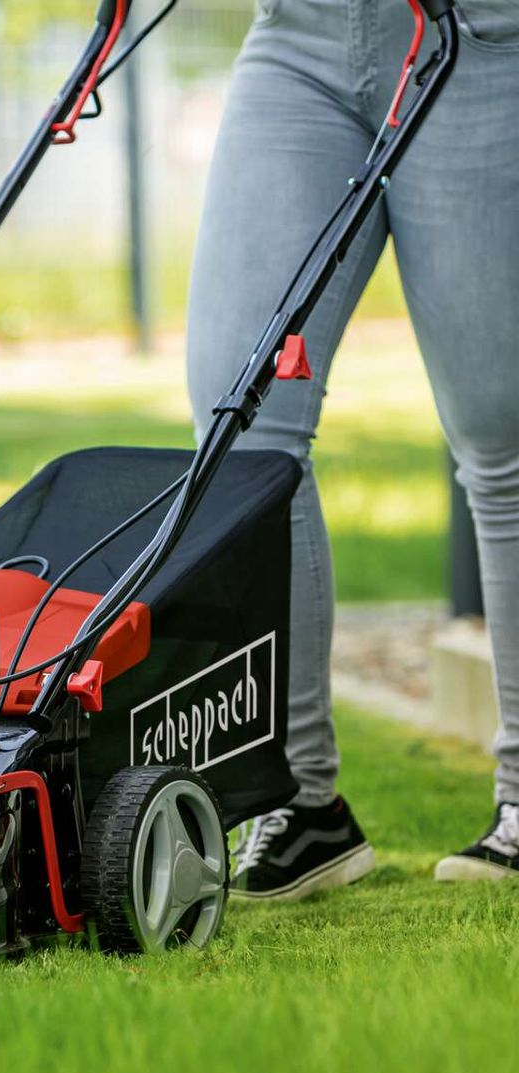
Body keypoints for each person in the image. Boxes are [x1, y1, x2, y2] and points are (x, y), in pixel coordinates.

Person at [186, 0, 519, 898]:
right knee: (240, 421)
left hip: (481, 37)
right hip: (301, 37)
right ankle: (300, 804)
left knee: (502, 434)